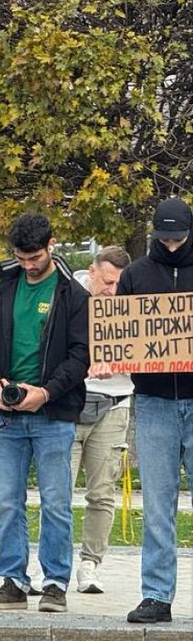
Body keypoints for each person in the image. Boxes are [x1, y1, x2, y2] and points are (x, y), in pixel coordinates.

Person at [0, 214, 88, 614]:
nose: (28, 264)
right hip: (4, 416)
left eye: (35, 257)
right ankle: (13, 581)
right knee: (8, 504)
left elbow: (80, 355)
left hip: (53, 416)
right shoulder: (3, 289)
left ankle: (55, 582)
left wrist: (47, 392)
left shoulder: (73, 294)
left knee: (55, 503)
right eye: (21, 257)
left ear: (51, 244)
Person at [118, 198, 193, 624]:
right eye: (163, 238)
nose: (169, 245)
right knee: (158, 505)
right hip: (154, 401)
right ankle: (157, 595)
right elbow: (121, 335)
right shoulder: (135, 274)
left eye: (177, 238)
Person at [71, 246, 133, 594]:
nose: (112, 290)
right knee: (56, 491)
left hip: (114, 403)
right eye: (107, 282)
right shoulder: (70, 296)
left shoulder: (131, 303)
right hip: (71, 403)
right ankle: (53, 568)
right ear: (92, 271)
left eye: (118, 284)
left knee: (102, 492)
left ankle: (90, 565)